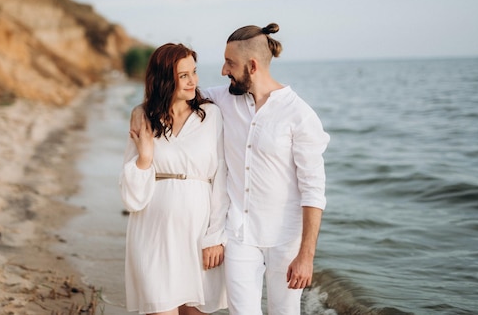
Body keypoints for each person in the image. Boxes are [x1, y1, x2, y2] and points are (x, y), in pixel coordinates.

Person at [131, 23, 329, 315]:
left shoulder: (299, 115)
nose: (223, 70)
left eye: (229, 63)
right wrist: (140, 109)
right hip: (238, 234)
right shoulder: (221, 99)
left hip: (285, 238)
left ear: (252, 66)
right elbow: (176, 96)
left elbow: (314, 190)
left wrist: (306, 256)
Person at [120, 43, 230, 315]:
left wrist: (215, 237)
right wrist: (145, 158)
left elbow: (222, 178)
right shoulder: (144, 118)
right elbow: (131, 197)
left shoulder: (212, 116)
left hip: (198, 234)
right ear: (164, 79)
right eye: (183, 75)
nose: (193, 80)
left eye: (194, 72)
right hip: (152, 235)